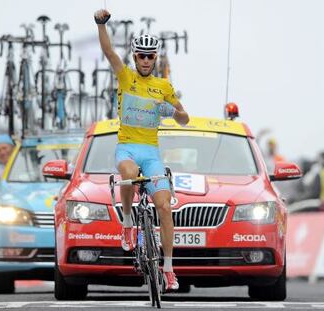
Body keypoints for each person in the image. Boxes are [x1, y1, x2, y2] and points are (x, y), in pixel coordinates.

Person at [94, 9, 189, 291]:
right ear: (135, 57)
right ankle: (126, 221)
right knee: (129, 172)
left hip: (152, 153)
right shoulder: (125, 77)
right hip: (128, 149)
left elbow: (185, 119)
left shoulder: (163, 86)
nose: (146, 60)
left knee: (164, 206)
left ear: (155, 58)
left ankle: (168, 269)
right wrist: (100, 25)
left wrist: (171, 110)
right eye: (141, 55)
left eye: (150, 56)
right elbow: (109, 52)